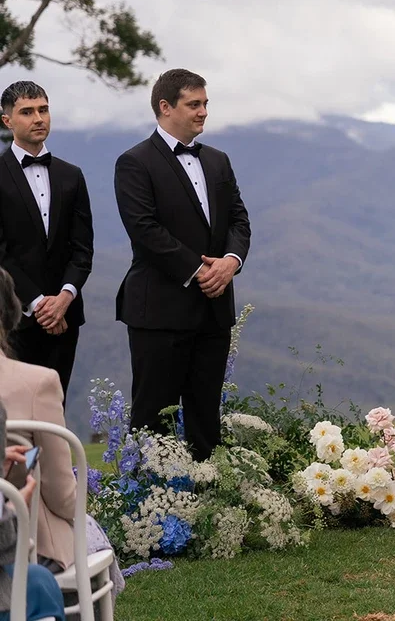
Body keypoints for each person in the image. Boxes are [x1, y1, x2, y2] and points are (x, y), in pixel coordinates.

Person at [114, 68, 251, 461]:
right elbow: (144, 229)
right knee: (152, 416)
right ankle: (145, 511)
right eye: (194, 104)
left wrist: (230, 261)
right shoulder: (134, 162)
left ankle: (207, 503)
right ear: (165, 107)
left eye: (205, 103)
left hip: (214, 309)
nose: (203, 111)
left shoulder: (219, 161)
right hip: (158, 310)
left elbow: (239, 221)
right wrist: (200, 271)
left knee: (206, 414)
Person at [0, 266, 123, 593]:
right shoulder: (37, 383)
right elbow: (63, 495)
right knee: (89, 540)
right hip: (25, 543)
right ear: (10, 314)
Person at [0, 81, 93, 401]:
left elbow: (82, 249)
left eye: (43, 109)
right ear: (7, 121)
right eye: (27, 112)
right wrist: (39, 304)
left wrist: (63, 299)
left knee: (55, 404)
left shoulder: (72, 175)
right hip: (10, 317)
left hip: (66, 316)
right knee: (15, 416)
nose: (39, 118)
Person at [0, 397, 67, 621]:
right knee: (39, 582)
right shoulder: (41, 383)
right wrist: (13, 507)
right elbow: (65, 497)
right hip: (31, 548)